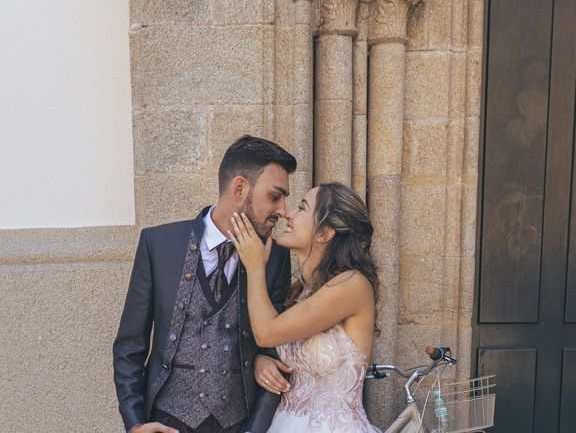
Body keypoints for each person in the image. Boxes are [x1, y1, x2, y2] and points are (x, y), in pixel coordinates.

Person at [113, 135, 296, 433]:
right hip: (165, 423)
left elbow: (275, 357)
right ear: (239, 188)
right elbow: (129, 346)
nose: (283, 210)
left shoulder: (275, 258)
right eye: (275, 196)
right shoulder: (158, 245)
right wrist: (135, 424)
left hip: (239, 423)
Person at [228, 182, 381, 432]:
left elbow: (267, 332)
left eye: (301, 208)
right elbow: (273, 339)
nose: (287, 214)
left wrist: (255, 267)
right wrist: (260, 362)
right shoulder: (303, 292)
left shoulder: (352, 284)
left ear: (324, 234)